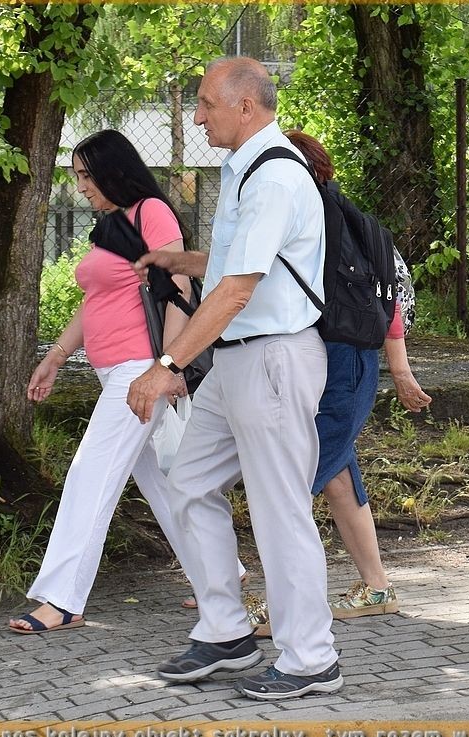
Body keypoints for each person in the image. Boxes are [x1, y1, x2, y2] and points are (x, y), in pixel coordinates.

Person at [126, 57, 341, 700]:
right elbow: (234, 266)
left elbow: (238, 290)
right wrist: (180, 259)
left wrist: (166, 366)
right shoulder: (245, 168)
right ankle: (226, 631)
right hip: (241, 359)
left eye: (205, 104)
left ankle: (310, 659)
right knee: (188, 481)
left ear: (245, 106)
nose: (196, 117)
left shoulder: (273, 176)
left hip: (272, 358)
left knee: (280, 512)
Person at [243, 131, 432, 634]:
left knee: (293, 482)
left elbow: (390, 299)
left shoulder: (318, 219)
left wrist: (401, 370)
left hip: (338, 363)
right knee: (336, 474)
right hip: (339, 361)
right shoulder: (345, 214)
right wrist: (397, 369)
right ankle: (376, 586)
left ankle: (284, 606)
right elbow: (394, 295)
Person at [7, 129, 194, 634]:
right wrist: (55, 357)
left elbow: (178, 287)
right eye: (77, 176)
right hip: (112, 370)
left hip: (140, 371)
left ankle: (62, 599)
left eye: (87, 175)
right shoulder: (110, 225)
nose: (81, 187)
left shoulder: (152, 211)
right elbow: (94, 303)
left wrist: (169, 366)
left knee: (89, 473)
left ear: (114, 170)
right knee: (163, 483)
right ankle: (219, 574)